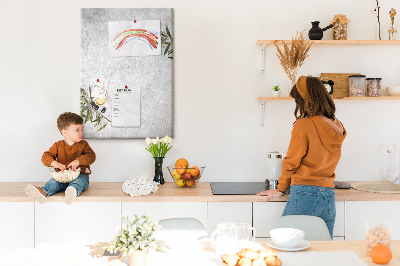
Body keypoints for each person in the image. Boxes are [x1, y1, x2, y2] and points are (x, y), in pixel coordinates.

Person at [256, 76, 346, 238]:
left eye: (298, 100)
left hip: (305, 195)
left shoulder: (304, 125)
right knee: (323, 250)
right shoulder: (337, 125)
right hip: (328, 197)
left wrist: (280, 189)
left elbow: (291, 162)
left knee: (285, 244)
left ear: (306, 100)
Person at [25, 112, 96, 205]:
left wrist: (78, 161)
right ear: (65, 132)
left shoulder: (84, 145)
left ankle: (72, 192)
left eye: (81, 129)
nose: (81, 132)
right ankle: (42, 192)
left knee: (79, 183)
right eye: (77, 130)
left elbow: (91, 156)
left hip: (80, 175)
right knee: (52, 183)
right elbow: (45, 157)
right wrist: (55, 163)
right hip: (61, 177)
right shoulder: (58, 145)